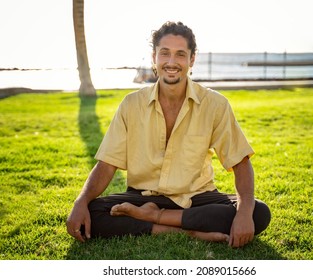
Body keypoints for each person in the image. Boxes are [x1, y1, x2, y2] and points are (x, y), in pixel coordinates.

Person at [66, 21, 271, 248]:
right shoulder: (131, 104)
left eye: (180, 54)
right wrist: (81, 201)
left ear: (192, 60)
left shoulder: (215, 104)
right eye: (165, 53)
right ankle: (189, 232)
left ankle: (153, 219)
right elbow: (106, 165)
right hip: (143, 198)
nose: (172, 62)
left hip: (196, 198)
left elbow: (241, 163)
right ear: (154, 57)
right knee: (94, 211)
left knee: (257, 212)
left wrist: (243, 214)